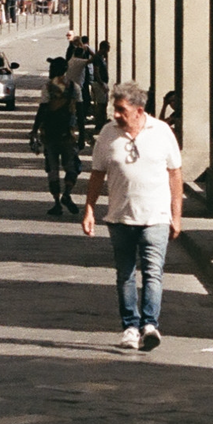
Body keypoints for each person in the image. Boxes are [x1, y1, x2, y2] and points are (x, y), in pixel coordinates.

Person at [82, 79, 183, 352]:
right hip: (120, 217)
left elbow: (175, 174)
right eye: (115, 108)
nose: (115, 114)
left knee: (153, 273)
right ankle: (129, 326)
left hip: (156, 216)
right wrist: (90, 208)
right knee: (125, 274)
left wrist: (177, 214)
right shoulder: (107, 133)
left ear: (138, 110)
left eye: (121, 109)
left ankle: (150, 324)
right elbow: (97, 174)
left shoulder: (162, 131)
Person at [31, 66, 81, 217]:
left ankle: (57, 203)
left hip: (50, 135)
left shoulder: (47, 87)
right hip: (68, 134)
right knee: (72, 167)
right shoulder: (74, 87)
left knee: (52, 169)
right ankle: (67, 193)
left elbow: (43, 109)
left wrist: (34, 130)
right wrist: (83, 134)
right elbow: (81, 109)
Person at [64, 34, 93, 150]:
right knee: (79, 112)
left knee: (68, 111)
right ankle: (79, 135)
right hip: (76, 89)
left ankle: (68, 131)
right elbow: (94, 59)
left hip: (68, 88)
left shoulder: (71, 60)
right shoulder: (79, 62)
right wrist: (90, 49)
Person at [92, 38, 111, 134]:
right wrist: (101, 84)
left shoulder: (100, 57)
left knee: (103, 103)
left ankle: (101, 122)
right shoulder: (98, 58)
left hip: (102, 83)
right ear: (103, 48)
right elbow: (96, 72)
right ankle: (99, 123)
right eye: (107, 49)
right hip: (100, 83)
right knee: (101, 104)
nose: (108, 51)